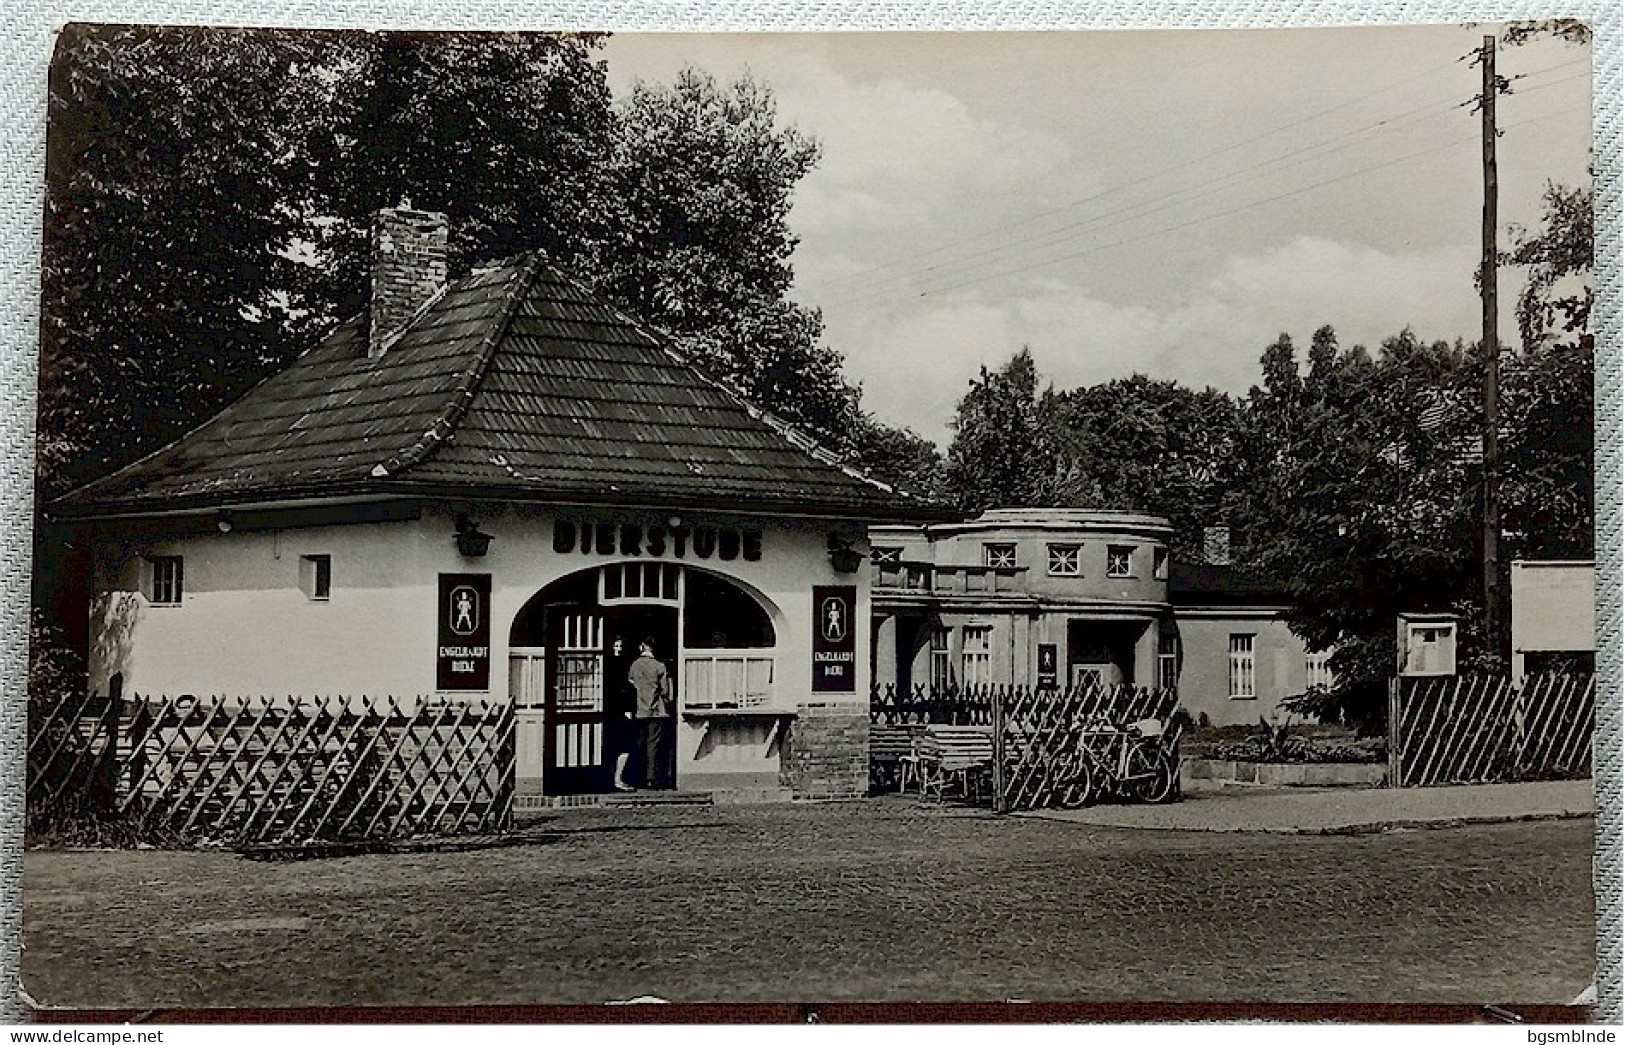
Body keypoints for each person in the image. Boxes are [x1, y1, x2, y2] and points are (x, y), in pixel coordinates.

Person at [627, 637, 672, 789]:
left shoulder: (634, 665)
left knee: (638, 743)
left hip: (639, 709)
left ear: (643, 646)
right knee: (653, 745)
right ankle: (651, 778)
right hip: (656, 711)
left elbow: (631, 684)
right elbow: (665, 691)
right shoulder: (660, 666)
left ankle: (635, 776)